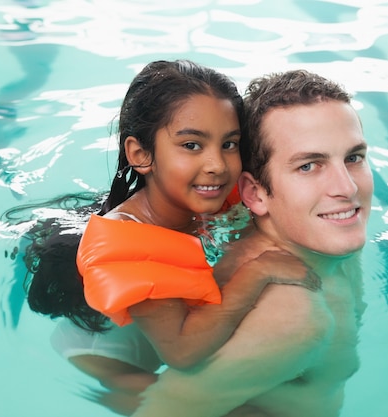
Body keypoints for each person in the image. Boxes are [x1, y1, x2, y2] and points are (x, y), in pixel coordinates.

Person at [4, 60, 308, 415]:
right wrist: (259, 271)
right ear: (141, 154)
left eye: (229, 144)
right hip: (109, 352)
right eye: (192, 145)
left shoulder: (207, 196)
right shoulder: (129, 243)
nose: (217, 165)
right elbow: (182, 353)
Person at [130, 68, 373, 417]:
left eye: (354, 157)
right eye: (309, 166)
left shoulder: (326, 238)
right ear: (256, 194)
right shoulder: (291, 319)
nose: (348, 188)